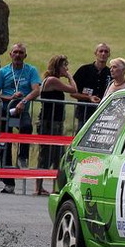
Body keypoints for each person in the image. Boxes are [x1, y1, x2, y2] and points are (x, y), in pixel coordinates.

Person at [0, 42, 42, 194]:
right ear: (11, 54)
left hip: (21, 110)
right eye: (16, 52)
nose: (18, 55)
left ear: (25, 56)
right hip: (5, 109)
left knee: (27, 127)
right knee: (3, 145)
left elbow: (36, 90)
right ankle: (9, 183)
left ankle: (23, 156)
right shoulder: (3, 71)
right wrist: (8, 97)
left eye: (21, 53)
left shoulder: (31, 70)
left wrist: (23, 101)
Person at [35, 55, 78, 196]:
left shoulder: (53, 81)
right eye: (64, 66)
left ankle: (53, 186)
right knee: (46, 154)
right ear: (57, 67)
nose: (66, 69)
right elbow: (73, 89)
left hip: (54, 122)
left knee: (57, 156)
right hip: (50, 123)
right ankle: (39, 187)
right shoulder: (53, 80)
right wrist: (70, 76)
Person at [72, 43, 110, 131]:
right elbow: (73, 93)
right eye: (101, 51)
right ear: (95, 53)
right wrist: (89, 98)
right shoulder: (84, 70)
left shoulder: (110, 73)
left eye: (106, 51)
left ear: (109, 55)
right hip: (84, 114)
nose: (103, 54)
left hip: (103, 115)